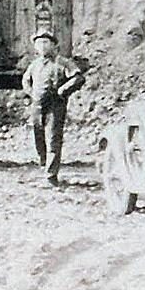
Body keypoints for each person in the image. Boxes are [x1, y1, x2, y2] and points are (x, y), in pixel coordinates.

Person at [21, 29, 84, 185]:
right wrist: (31, 94)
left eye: (45, 42)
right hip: (37, 107)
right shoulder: (34, 65)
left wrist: (63, 90)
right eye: (39, 43)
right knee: (39, 139)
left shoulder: (63, 62)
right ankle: (44, 166)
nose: (42, 46)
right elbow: (25, 81)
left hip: (54, 106)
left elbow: (78, 78)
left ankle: (51, 176)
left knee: (53, 140)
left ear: (54, 45)